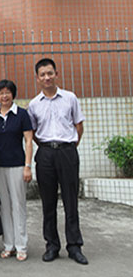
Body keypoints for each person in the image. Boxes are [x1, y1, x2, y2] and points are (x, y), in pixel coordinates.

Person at [28, 58, 88, 265]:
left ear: (56, 74)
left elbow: (78, 126)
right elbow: (33, 132)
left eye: (50, 73)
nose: (47, 77)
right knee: (48, 202)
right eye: (42, 74)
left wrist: (69, 146)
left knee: (71, 201)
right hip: (45, 153)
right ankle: (52, 245)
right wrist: (47, 147)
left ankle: (74, 246)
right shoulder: (34, 104)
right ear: (37, 78)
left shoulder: (70, 98)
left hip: (67, 152)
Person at [0, 79, 33, 262]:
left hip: (17, 166)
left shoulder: (22, 114)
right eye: (1, 93)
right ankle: (8, 244)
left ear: (13, 94)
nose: (4, 96)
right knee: (4, 206)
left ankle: (21, 245)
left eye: (7, 92)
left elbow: (29, 141)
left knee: (18, 205)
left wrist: (27, 166)